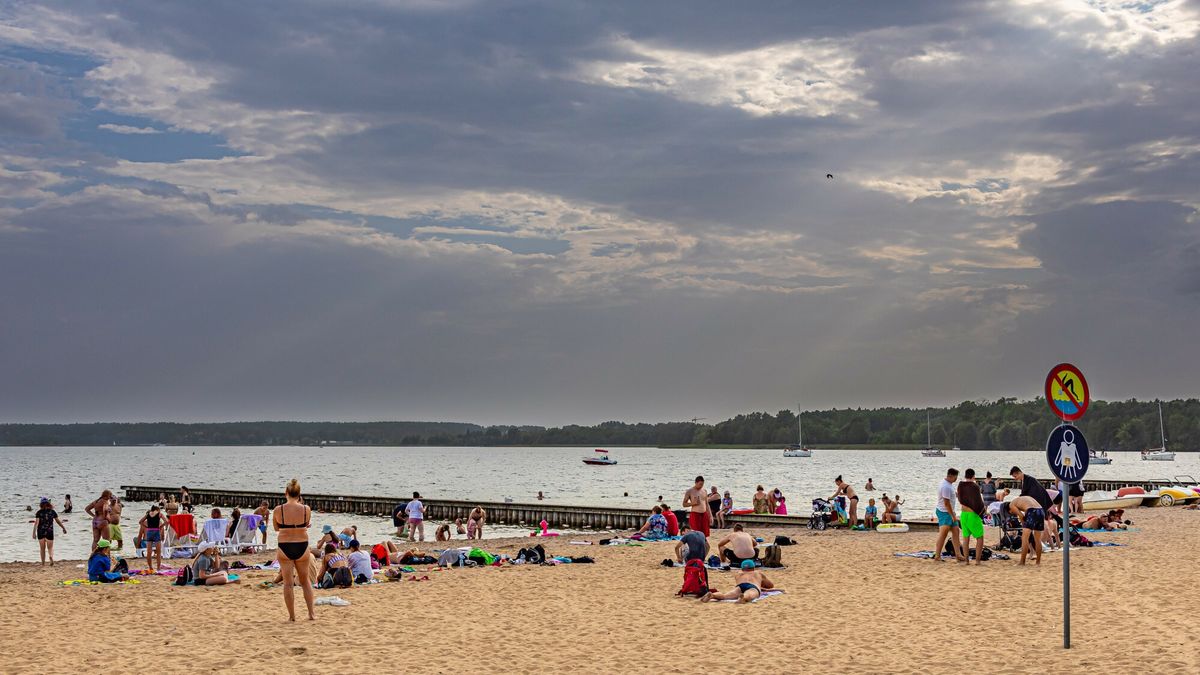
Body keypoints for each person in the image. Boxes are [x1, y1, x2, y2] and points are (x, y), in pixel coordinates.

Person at [273, 478, 316, 621]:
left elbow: (276, 528)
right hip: (302, 545)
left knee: (288, 584)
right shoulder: (306, 509)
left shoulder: (278, 510)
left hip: (285, 546)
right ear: (299, 494)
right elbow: (306, 523)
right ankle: (311, 614)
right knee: (305, 582)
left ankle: (292, 616)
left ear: (286, 492)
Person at [701, 559, 776, 603]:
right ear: (753, 567)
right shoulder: (758, 573)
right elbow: (770, 585)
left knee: (726, 596)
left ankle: (713, 595)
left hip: (740, 586)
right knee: (750, 594)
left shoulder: (738, 574)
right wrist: (760, 583)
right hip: (753, 586)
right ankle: (743, 597)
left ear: (742, 568)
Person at [935, 468, 965, 562]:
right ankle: (937, 556)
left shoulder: (949, 484)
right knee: (943, 534)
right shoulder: (945, 486)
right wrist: (953, 516)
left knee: (956, 531)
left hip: (950, 512)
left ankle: (958, 555)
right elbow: (946, 503)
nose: (956, 479)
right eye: (956, 477)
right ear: (951, 476)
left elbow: (952, 495)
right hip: (944, 512)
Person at [1006, 494, 1045, 565]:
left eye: (1011, 512)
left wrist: (1024, 524)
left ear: (1009, 509)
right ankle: (1038, 562)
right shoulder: (1022, 499)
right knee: (1038, 539)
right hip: (1041, 510)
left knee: (1024, 538)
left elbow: (1021, 516)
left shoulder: (1011, 505)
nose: (1013, 513)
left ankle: (1022, 562)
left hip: (1032, 511)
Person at [957, 469, 985, 565]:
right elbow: (978, 501)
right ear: (973, 476)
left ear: (965, 475)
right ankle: (977, 561)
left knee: (966, 538)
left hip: (963, 514)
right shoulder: (975, 486)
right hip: (972, 515)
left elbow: (960, 498)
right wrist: (983, 510)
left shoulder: (960, 485)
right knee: (980, 538)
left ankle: (966, 561)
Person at [34, 497, 67, 566]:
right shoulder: (52, 512)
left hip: (40, 532)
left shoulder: (38, 512)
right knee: (50, 548)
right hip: (49, 531)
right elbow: (58, 521)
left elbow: (36, 523)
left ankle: (43, 563)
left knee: (42, 549)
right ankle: (51, 556)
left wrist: (33, 533)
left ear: (41, 504)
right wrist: (63, 528)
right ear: (49, 504)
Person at [139, 504, 167, 572]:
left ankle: (150, 567)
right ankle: (158, 568)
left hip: (149, 532)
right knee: (158, 552)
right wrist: (161, 526)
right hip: (156, 532)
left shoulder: (148, 514)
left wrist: (146, 527)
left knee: (149, 552)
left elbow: (140, 522)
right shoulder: (159, 514)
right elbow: (166, 521)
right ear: (157, 509)